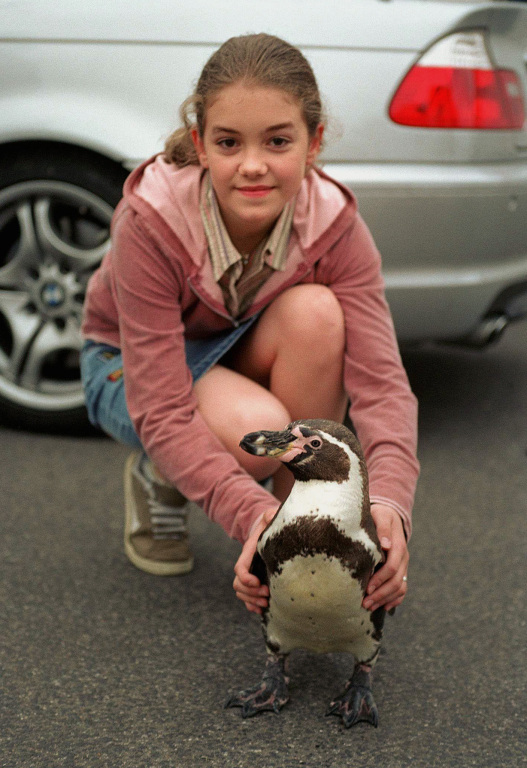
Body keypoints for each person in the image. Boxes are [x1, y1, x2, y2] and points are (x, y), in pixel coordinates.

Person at [80, 33, 419, 617]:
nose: (254, 165)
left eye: (278, 141)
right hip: (124, 366)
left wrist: (388, 505)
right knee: (261, 431)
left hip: (230, 347)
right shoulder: (150, 220)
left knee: (317, 315)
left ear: (313, 144)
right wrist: (252, 518)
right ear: (200, 145)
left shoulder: (335, 225)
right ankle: (168, 476)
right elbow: (161, 407)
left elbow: (383, 385)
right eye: (229, 142)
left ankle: (300, 550)